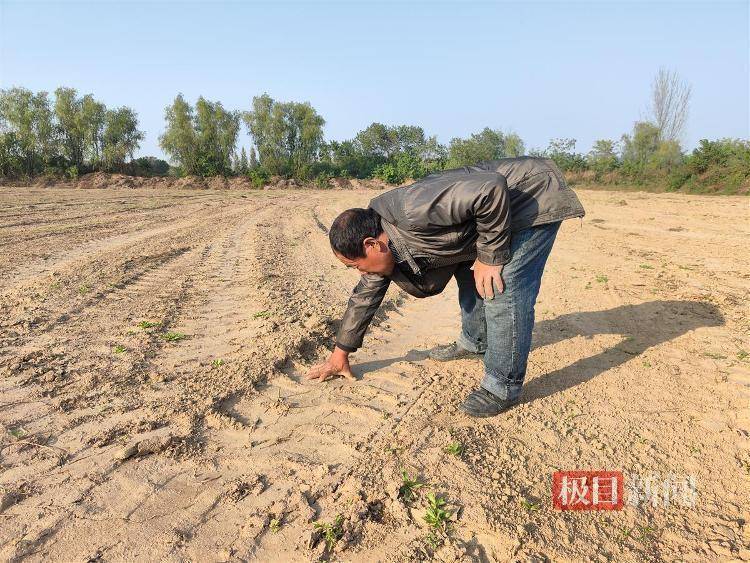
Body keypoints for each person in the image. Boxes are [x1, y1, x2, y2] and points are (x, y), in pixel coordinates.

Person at [305, 156, 586, 417]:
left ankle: (502, 386)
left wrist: (490, 256)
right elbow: (364, 297)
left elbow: (490, 188)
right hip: (492, 216)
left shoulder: (412, 209)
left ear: (371, 245)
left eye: (355, 265)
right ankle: (475, 342)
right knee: (467, 269)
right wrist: (339, 355)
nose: (360, 272)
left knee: (502, 285)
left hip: (532, 196)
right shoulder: (385, 238)